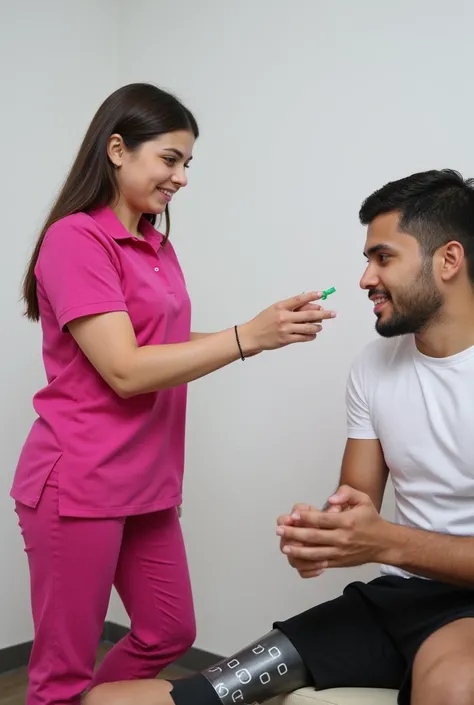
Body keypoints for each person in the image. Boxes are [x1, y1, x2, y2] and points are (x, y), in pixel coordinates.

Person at [84, 168, 474, 705]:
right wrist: (328, 536)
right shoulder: (374, 366)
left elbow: (385, 537)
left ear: (448, 260)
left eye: (383, 258)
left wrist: (385, 541)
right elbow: (356, 499)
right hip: (393, 600)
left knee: (453, 686)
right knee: (119, 701)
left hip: (464, 606)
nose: (364, 278)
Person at [12, 82, 337, 705]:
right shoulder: (75, 239)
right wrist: (246, 337)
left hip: (147, 481)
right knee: (62, 673)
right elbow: (127, 369)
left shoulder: (157, 242)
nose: (182, 177)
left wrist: (268, 331)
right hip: (79, 482)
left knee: (168, 630)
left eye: (188, 163)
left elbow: (165, 343)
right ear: (116, 149)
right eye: (170, 159)